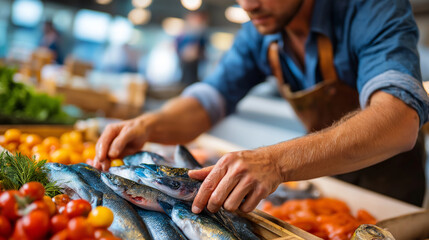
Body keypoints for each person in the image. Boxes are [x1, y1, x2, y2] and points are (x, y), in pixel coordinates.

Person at [93, 0, 429, 215]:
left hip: (389, 184)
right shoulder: (260, 31)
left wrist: (275, 162)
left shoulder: (372, 7)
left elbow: (400, 121)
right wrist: (150, 125)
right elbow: (209, 99)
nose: (249, 5)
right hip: (321, 173)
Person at [175, 11, 208, 86]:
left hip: (195, 67)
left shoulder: (201, 34)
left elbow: (202, 52)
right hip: (185, 66)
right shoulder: (183, 35)